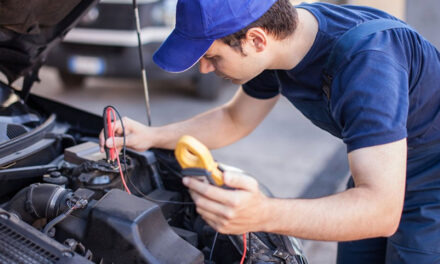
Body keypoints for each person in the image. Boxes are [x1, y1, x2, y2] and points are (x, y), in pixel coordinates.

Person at [99, 0, 440, 263]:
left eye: (211, 56)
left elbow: (380, 210)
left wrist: (262, 213)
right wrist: (150, 136)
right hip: (380, 170)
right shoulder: (275, 46)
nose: (204, 68)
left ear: (256, 40)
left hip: (430, 184)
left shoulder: (367, 63)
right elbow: (235, 119)